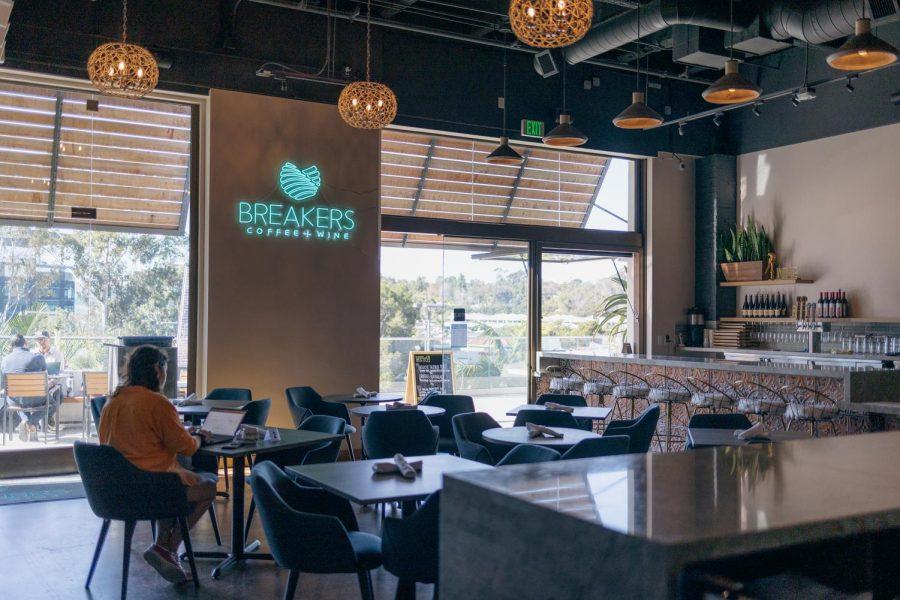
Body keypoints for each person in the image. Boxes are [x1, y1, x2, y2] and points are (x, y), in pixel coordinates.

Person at [98, 345, 217, 584]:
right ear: (156, 369)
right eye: (165, 368)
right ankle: (168, 547)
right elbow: (187, 447)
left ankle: (163, 547)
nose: (165, 374)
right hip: (151, 490)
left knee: (172, 474)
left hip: (114, 492)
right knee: (208, 487)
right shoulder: (157, 403)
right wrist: (200, 436)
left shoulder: (112, 403)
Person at [1, 334, 58, 441]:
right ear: (25, 344)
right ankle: (30, 423)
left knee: (14, 400)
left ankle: (26, 422)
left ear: (11, 346)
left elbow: (2, 386)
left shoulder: (4, 360)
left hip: (16, 399)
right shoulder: (38, 357)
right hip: (36, 397)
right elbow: (45, 379)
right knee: (53, 404)